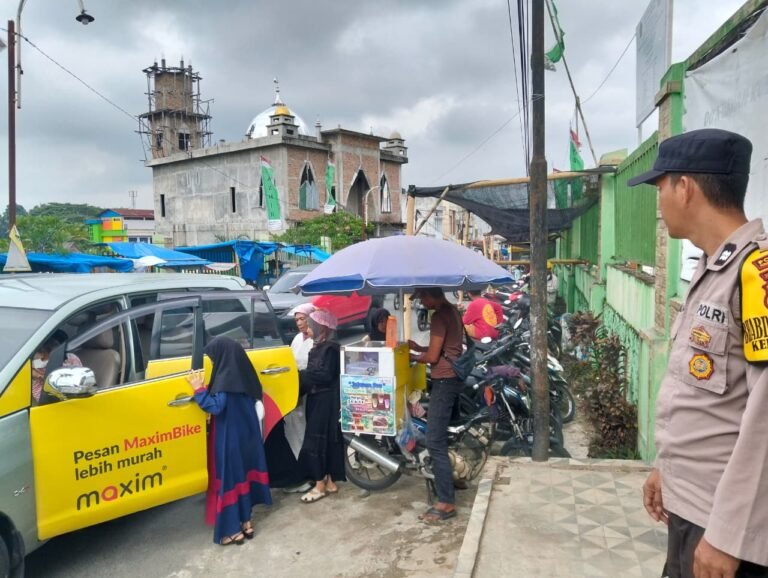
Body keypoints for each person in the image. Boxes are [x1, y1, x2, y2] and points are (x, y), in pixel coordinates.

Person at [630, 129, 768, 577]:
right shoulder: (713, 269)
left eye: (660, 188)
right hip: (693, 510)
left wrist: (729, 536)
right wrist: (666, 469)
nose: (659, 203)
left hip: (725, 530)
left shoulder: (756, 273)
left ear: (684, 188)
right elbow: (706, 403)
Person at [185, 337, 271, 546]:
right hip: (248, 437)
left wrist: (199, 389)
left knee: (231, 481)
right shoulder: (244, 375)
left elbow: (215, 407)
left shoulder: (225, 380)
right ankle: (247, 523)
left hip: (229, 439)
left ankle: (232, 531)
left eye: (213, 358)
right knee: (244, 477)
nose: (213, 362)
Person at [407, 287, 464, 523]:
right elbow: (439, 349)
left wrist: (410, 356)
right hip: (453, 377)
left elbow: (432, 358)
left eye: (422, 297)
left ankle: (446, 502)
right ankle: (453, 478)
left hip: (445, 379)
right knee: (445, 435)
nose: (421, 302)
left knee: (434, 441)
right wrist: (419, 348)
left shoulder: (440, 316)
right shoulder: (452, 311)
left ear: (432, 295)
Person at [297, 309, 346, 503]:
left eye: (310, 324)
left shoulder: (330, 349)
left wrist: (302, 375)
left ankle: (319, 485)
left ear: (321, 328)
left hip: (326, 400)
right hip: (318, 399)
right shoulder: (318, 347)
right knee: (325, 440)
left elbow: (325, 375)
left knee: (316, 440)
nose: (306, 328)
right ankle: (330, 481)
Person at [281, 303, 315, 493]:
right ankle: (300, 472)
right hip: (295, 389)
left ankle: (310, 473)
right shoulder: (296, 339)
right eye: (297, 320)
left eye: (303, 319)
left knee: (304, 430)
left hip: (310, 390)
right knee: (293, 430)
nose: (300, 323)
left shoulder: (315, 339)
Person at [32, 330, 82, 403]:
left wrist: (45, 378)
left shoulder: (71, 360)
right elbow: (38, 395)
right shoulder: (35, 365)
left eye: (43, 358)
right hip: (43, 398)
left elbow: (78, 386)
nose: (40, 361)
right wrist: (36, 375)